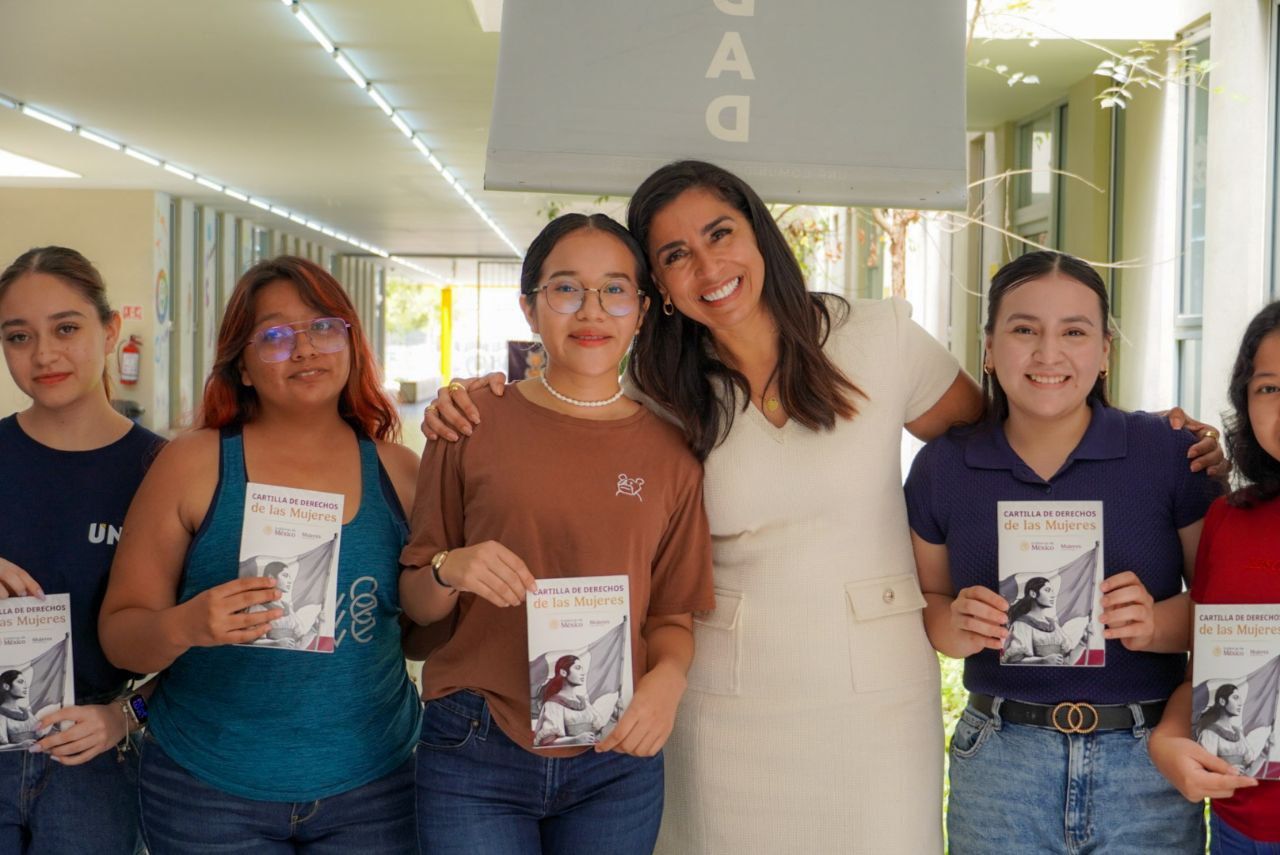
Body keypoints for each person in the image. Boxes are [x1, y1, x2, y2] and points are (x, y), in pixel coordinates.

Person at [421, 162, 1226, 853]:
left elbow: (1008, 431)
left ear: (759, 234)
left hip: (875, 699)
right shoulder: (658, 392)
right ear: (658, 286)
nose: (707, 265)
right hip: (724, 704)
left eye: (720, 233)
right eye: (675, 254)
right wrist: (482, 402)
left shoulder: (875, 335)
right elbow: (574, 448)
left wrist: (1150, 437)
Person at [401, 213, 714, 855]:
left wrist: (669, 681)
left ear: (642, 310)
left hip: (614, 750)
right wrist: (449, 568)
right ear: (530, 307)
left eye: (615, 290)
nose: (591, 310)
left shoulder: (672, 453)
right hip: (476, 741)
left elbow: (672, 617)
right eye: (566, 288)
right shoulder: (469, 423)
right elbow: (416, 605)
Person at [98, 256, 422, 854]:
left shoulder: (401, 474)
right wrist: (187, 625)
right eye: (274, 335)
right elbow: (121, 635)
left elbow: (421, 638)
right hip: (207, 788)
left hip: (374, 785)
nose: (304, 348)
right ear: (241, 366)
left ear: (351, 343)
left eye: (323, 327)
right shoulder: (192, 465)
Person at [904, 250, 1220, 853]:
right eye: (1024, 330)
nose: (1048, 353)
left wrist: (1154, 624)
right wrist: (957, 625)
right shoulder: (942, 467)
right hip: (1001, 766)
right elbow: (931, 602)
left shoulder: (1169, 455)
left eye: (1074, 332)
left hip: (1147, 762)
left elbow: (1224, 612)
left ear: (1105, 352)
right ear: (989, 348)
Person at [0, 245, 162, 853]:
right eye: (18, 337)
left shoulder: (165, 471)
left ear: (110, 329)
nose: (44, 354)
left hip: (93, 758)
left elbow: (207, 647)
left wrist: (126, 716)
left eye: (66, 328)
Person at [1150, 300, 1280, 853]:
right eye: (1269, 388)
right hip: (1243, 829)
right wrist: (1167, 740)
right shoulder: (1228, 520)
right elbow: (1203, 676)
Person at [1003, 575, 1094, 665]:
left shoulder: (1054, 625)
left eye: (1052, 591)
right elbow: (1014, 661)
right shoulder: (1021, 624)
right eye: (1047, 590)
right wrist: (1042, 661)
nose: (1053, 595)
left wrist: (1083, 642)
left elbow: (1067, 661)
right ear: (1033, 594)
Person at [1195, 684, 1273, 776]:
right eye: (1235, 698)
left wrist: (1264, 753)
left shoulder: (1238, 733)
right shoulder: (1209, 733)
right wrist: (1226, 769)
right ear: (1222, 701)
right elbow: (1206, 771)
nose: (1240, 703)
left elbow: (1249, 773)